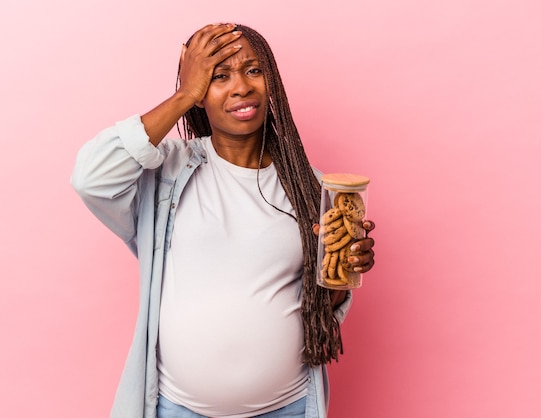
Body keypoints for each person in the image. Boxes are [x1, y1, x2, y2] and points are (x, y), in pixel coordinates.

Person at [71, 23, 376, 418]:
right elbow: (90, 178)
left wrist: (341, 270)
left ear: (272, 82)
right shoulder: (167, 173)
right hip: (177, 408)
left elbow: (320, 308)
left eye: (253, 70)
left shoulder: (309, 186)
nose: (241, 87)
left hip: (289, 407)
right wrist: (184, 95)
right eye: (218, 76)